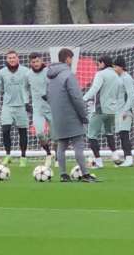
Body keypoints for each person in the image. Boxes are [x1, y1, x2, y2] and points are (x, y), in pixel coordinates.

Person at [47, 48, 96, 182]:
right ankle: (85, 174)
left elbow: (47, 96)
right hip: (71, 116)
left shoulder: (51, 76)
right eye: (71, 58)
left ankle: (63, 175)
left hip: (57, 117)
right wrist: (83, 115)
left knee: (61, 146)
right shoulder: (68, 75)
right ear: (68, 58)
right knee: (78, 145)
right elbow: (76, 98)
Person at [0, 50, 30, 167]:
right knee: (5, 130)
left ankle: (23, 157)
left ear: (18, 58)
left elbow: (31, 86)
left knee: (22, 132)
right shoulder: (2, 72)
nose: (11, 59)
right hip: (7, 106)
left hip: (21, 106)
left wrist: (29, 102)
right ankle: (8, 155)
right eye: (9, 58)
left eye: (13, 57)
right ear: (7, 60)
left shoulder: (26, 71)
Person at [83, 55, 121, 169]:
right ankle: (115, 155)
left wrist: (83, 99)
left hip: (100, 109)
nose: (97, 66)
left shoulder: (100, 74)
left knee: (91, 135)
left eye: (98, 64)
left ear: (103, 63)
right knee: (109, 132)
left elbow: (95, 89)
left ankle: (98, 162)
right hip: (112, 110)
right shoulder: (116, 75)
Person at [26, 52, 55, 167]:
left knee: (56, 137)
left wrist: (49, 95)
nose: (36, 64)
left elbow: (56, 86)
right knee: (39, 133)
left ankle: (57, 157)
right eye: (33, 62)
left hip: (52, 108)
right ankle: (48, 154)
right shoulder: (28, 75)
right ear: (30, 63)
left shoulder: (49, 72)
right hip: (38, 110)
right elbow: (24, 89)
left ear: (41, 60)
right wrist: (25, 102)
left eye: (37, 61)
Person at [113, 56, 134, 167]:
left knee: (124, 134)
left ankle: (129, 158)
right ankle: (127, 158)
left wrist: (126, 110)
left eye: (116, 66)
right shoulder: (118, 78)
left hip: (126, 112)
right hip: (119, 111)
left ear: (121, 67)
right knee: (122, 135)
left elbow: (131, 96)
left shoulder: (127, 78)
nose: (114, 68)